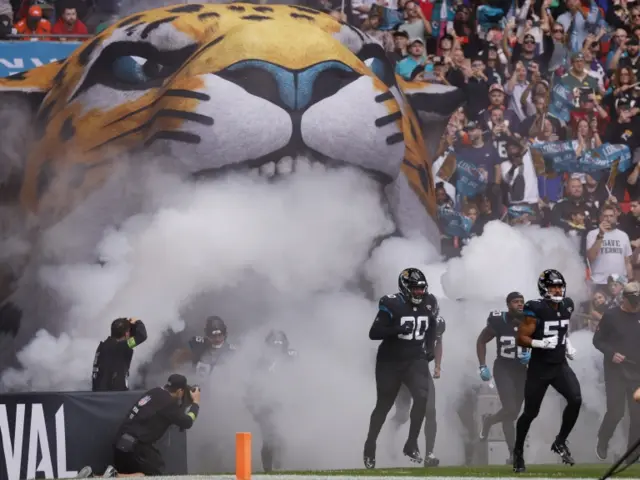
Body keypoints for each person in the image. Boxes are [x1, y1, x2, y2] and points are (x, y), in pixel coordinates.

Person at [363, 268, 438, 469]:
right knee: (384, 406)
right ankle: (370, 445)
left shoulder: (429, 302)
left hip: (415, 359)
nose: (419, 293)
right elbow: (374, 333)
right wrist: (396, 329)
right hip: (390, 361)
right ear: (405, 288)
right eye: (415, 288)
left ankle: (411, 443)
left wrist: (429, 349)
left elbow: (432, 327)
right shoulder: (392, 303)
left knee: (423, 397)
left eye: (421, 289)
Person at [512, 269, 582, 473]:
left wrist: (566, 343)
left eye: (560, 286)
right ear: (544, 288)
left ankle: (560, 441)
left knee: (576, 399)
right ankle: (518, 451)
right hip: (540, 368)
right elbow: (521, 338)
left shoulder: (567, 305)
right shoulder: (535, 308)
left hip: (559, 365)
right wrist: (541, 343)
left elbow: (560, 329)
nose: (558, 290)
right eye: (553, 286)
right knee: (530, 413)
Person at [109, 374, 200, 476]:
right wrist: (196, 403)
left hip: (120, 447)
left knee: (141, 474)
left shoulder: (154, 391)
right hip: (135, 450)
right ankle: (115, 476)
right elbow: (187, 422)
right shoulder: (169, 403)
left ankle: (107, 476)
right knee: (156, 473)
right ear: (179, 391)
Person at [476, 292, 530, 462]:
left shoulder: (529, 320)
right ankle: (514, 452)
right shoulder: (499, 320)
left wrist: (532, 355)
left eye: (522, 302)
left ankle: (491, 423)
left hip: (521, 370)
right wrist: (482, 365)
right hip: (503, 368)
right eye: (516, 302)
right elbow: (481, 341)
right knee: (510, 409)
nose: (520, 304)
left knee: (512, 414)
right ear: (508, 305)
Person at [593, 282, 640, 464]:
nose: (636, 304)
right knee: (616, 412)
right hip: (616, 372)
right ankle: (603, 439)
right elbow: (597, 340)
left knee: (637, 415)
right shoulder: (611, 316)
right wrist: (611, 353)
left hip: (637, 372)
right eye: (633, 300)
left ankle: (632, 453)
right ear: (624, 299)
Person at [390, 314, 445, 467]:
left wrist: (438, 366)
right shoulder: (405, 319)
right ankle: (388, 439)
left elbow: (438, 342)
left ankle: (429, 454)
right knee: (402, 415)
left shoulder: (437, 322)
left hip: (421, 372)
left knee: (430, 411)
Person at [246, 330, 298, 472]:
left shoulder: (291, 360)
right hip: (266, 406)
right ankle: (268, 470)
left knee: (283, 438)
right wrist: (253, 406)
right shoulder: (261, 363)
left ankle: (280, 465)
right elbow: (252, 385)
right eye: (274, 345)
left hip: (285, 405)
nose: (276, 349)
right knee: (268, 439)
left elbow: (300, 381)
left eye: (279, 345)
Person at [92, 317, 148, 392]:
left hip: (100, 394)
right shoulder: (122, 346)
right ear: (126, 333)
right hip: (115, 396)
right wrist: (137, 322)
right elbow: (142, 336)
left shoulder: (103, 346)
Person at [171, 315, 235, 378]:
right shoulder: (197, 344)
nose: (217, 339)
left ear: (225, 334)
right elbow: (178, 355)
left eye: (220, 335)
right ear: (207, 335)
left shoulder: (231, 352)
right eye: (213, 336)